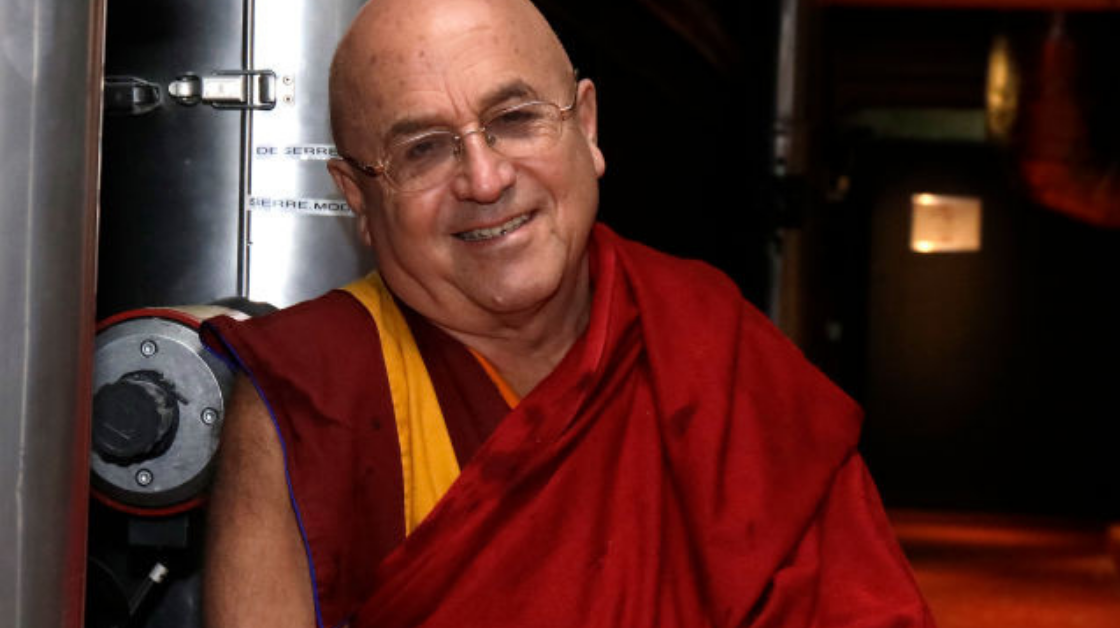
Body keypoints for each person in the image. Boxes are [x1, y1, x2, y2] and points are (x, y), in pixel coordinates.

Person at [200, 0, 935, 626]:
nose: (485, 179)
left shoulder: (712, 347)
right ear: (358, 196)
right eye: (423, 150)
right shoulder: (309, 393)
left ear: (587, 127)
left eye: (516, 118)